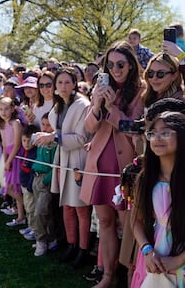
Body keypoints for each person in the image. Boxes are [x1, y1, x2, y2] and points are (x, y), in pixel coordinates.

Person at [80, 40, 146, 288]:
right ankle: (108, 276)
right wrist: (97, 104)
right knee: (105, 222)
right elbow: (89, 127)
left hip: (125, 166)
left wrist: (111, 108)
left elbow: (135, 129)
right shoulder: (100, 87)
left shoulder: (142, 92)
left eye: (121, 64)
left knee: (127, 225)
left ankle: (131, 276)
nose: (116, 69)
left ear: (131, 65)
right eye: (111, 64)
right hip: (99, 163)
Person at [35, 67, 91, 269]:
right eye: (60, 82)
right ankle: (71, 244)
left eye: (67, 82)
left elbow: (82, 138)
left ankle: (83, 250)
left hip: (78, 160)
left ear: (75, 83)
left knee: (81, 209)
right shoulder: (60, 105)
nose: (63, 86)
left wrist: (54, 137)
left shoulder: (82, 105)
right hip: (63, 158)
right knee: (67, 205)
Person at [132, 111, 185, 287]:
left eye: (165, 132)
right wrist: (147, 250)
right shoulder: (146, 178)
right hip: (158, 259)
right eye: (152, 133)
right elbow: (136, 221)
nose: (157, 138)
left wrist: (178, 260)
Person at [30, 112, 59, 256]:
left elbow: (56, 167)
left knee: (41, 212)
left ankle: (41, 241)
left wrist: (46, 181)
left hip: (45, 182)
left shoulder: (54, 145)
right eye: (43, 124)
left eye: (49, 125)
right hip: (36, 179)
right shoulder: (40, 140)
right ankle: (50, 238)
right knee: (41, 212)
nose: (45, 128)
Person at [0, 96, 25, 227]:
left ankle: (23, 214)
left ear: (13, 109)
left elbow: (17, 144)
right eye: (1, 109)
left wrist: (9, 160)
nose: (3, 112)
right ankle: (21, 215)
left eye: (6, 109)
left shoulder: (15, 123)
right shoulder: (2, 124)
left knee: (14, 187)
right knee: (8, 187)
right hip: (8, 156)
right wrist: (5, 160)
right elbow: (4, 143)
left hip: (16, 156)